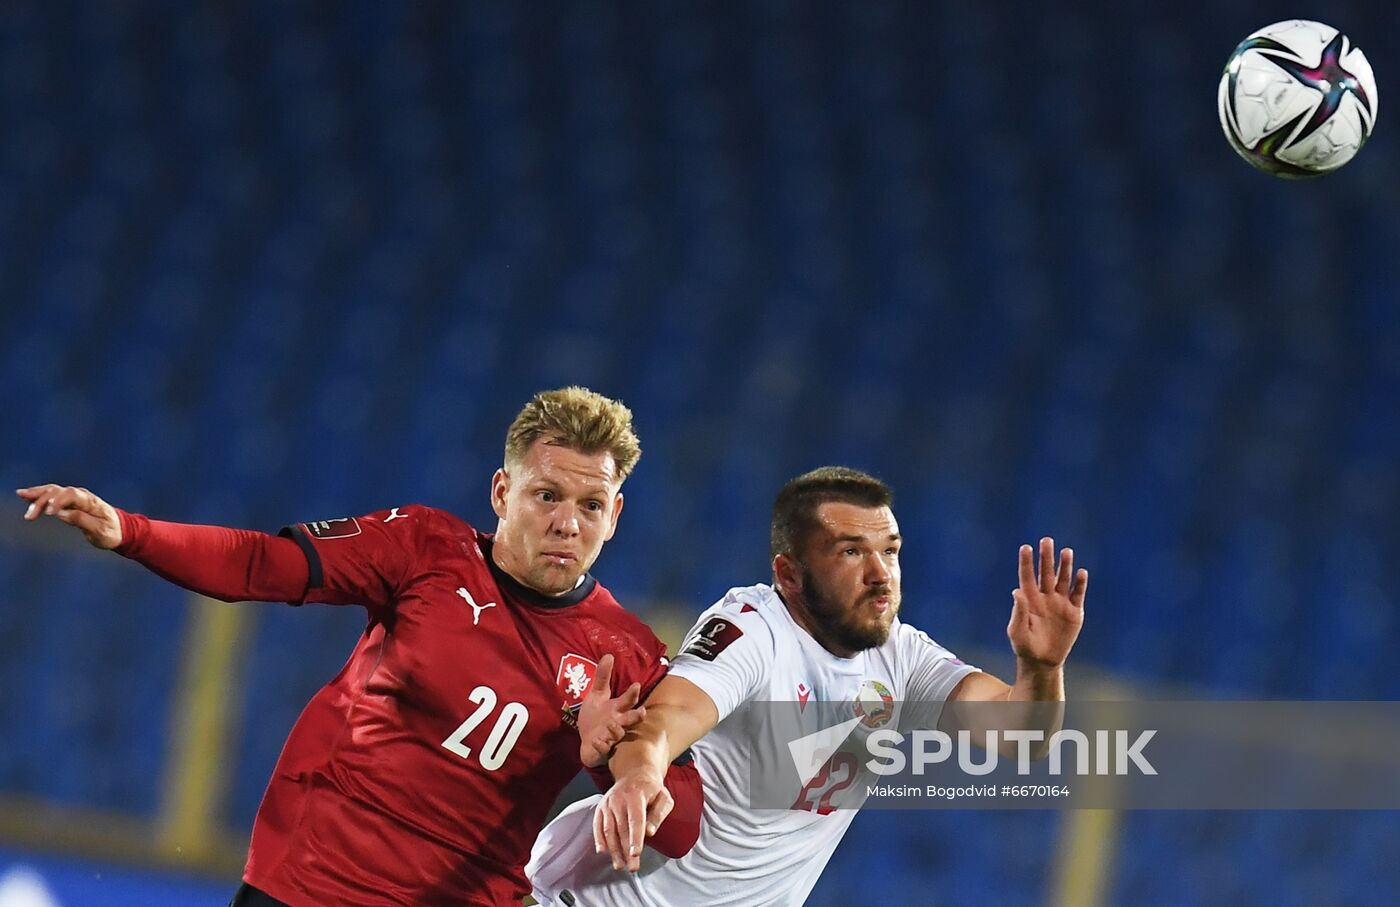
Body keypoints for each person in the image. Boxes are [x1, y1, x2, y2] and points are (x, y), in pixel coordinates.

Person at [16, 386, 701, 907]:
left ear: (614, 514)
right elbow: (262, 564)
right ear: (502, 491)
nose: (564, 522)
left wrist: (614, 761)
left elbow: (680, 829)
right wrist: (131, 531)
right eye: (546, 494)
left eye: (589, 505)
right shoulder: (424, 546)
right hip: (310, 877)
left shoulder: (626, 655)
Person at [527, 466, 1088, 906]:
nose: (880, 573)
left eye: (890, 550)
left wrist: (1040, 668)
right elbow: (667, 718)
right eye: (851, 551)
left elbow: (1022, 735)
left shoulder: (903, 657)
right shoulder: (753, 630)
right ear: (789, 574)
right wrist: (643, 772)